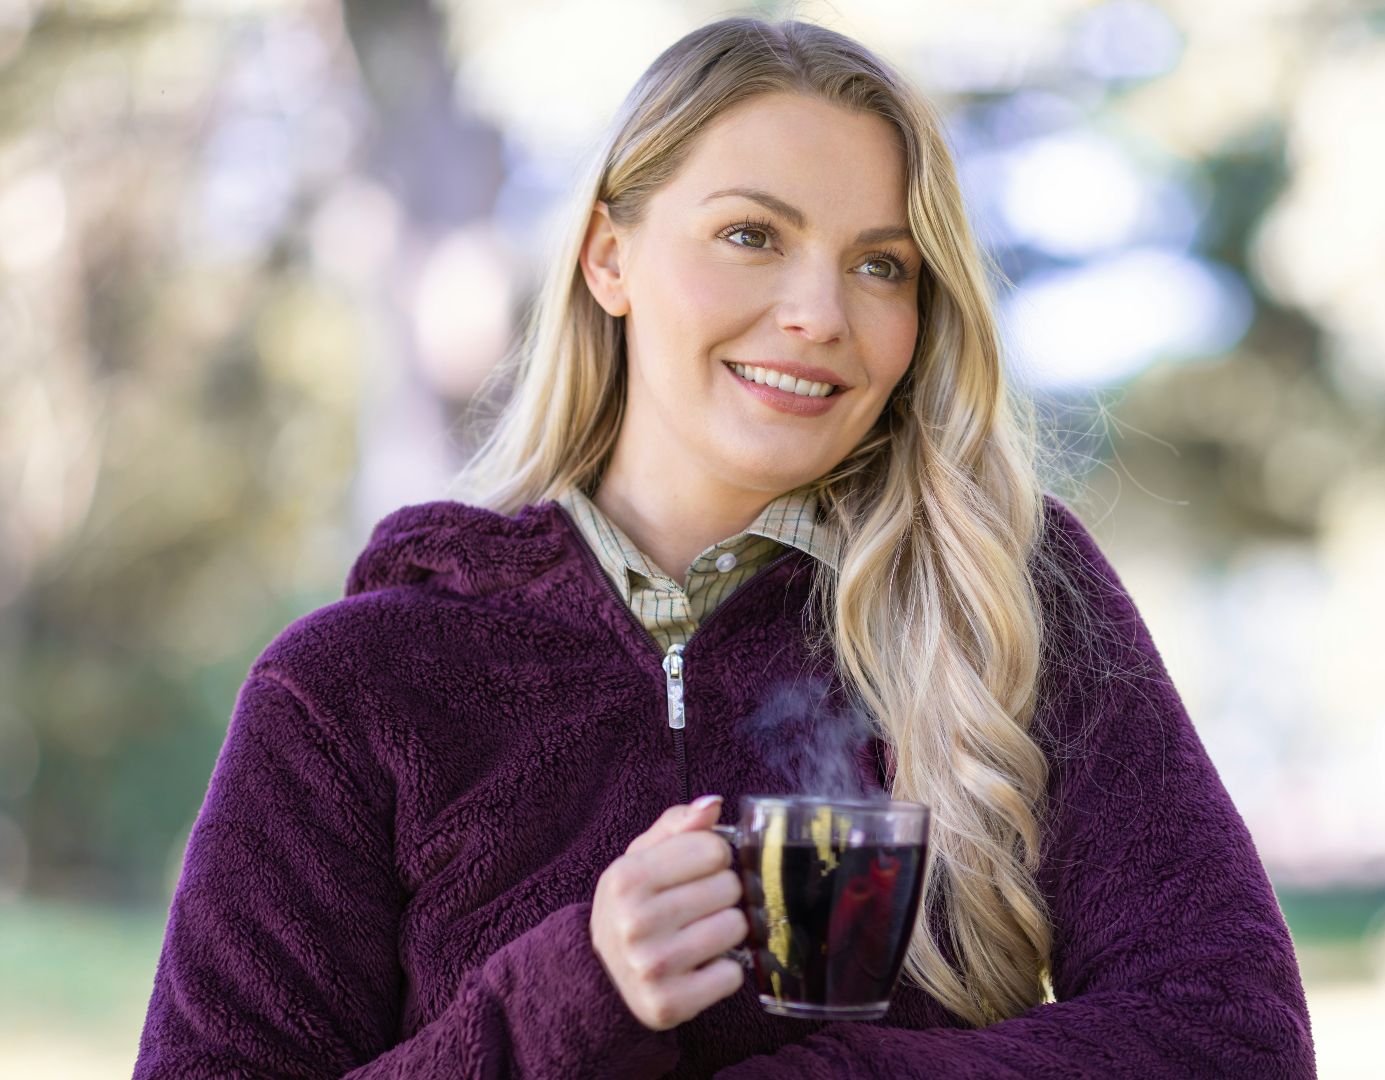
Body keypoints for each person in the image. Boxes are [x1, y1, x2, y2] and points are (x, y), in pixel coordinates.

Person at [132, 15, 1316, 1079]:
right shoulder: (355, 686)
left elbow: (1234, 1034)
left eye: (880, 264)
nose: (821, 313)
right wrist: (569, 1002)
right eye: (753, 234)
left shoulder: (1002, 592)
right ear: (609, 258)